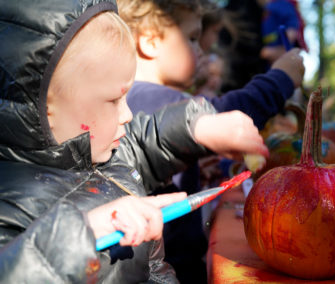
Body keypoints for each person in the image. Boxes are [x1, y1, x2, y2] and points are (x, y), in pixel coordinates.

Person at [0, 0, 270, 282]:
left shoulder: (106, 152)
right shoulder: (8, 201)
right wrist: (81, 235)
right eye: (113, 100)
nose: (128, 114)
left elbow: (145, 139)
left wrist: (196, 127)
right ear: (45, 108)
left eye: (126, 98)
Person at [117, 0, 304, 282]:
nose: (201, 49)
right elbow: (229, 112)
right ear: (151, 41)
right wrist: (280, 79)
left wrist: (190, 168)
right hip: (168, 267)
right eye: (192, 38)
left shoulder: (144, 99)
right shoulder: (153, 97)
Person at [258, 0, 308, 65]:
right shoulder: (265, 7)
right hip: (268, 62)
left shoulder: (284, 4)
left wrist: (279, 51)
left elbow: (291, 31)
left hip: (283, 56)